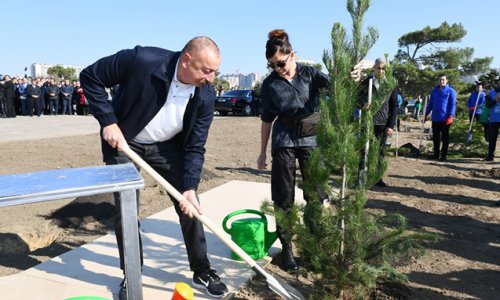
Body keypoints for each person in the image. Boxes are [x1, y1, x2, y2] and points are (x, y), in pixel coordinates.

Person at [79, 37, 228, 299]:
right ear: (186, 61)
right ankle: (132, 274)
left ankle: (202, 269)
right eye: (206, 70)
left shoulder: (205, 94)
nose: (212, 78)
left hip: (168, 148)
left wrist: (190, 187)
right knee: (126, 212)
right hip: (126, 142)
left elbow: (195, 146)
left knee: (190, 205)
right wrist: (108, 121)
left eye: (215, 71)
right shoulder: (141, 61)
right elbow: (90, 76)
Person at [257, 29, 329, 272]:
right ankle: (287, 248)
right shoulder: (270, 85)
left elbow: (337, 84)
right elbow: (267, 119)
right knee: (283, 196)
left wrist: (351, 74)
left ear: (292, 55)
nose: (277, 69)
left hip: (312, 138)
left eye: (280, 63)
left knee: (316, 194)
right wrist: (261, 152)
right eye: (271, 66)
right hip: (284, 139)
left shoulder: (310, 74)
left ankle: (312, 245)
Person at [358, 58, 398, 188]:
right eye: (378, 68)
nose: (380, 71)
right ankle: (362, 178)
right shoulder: (366, 82)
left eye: (383, 68)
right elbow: (358, 99)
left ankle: (377, 178)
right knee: (364, 151)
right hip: (367, 122)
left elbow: (394, 106)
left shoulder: (390, 84)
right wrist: (363, 104)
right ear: (374, 68)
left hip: (383, 124)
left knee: (380, 152)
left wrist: (391, 125)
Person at [424, 74, 457, 161]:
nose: (442, 81)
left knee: (445, 138)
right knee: (435, 137)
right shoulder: (434, 91)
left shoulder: (451, 91)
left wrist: (451, 116)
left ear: (447, 80)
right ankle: (436, 154)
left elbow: (453, 105)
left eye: (443, 80)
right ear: (438, 81)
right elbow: (430, 104)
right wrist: (426, 114)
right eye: (440, 80)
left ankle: (444, 155)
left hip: (445, 118)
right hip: (435, 118)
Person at [485, 78, 500, 161]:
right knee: (492, 138)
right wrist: (495, 100)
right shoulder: (491, 93)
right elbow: (488, 105)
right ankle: (490, 155)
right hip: (494, 119)